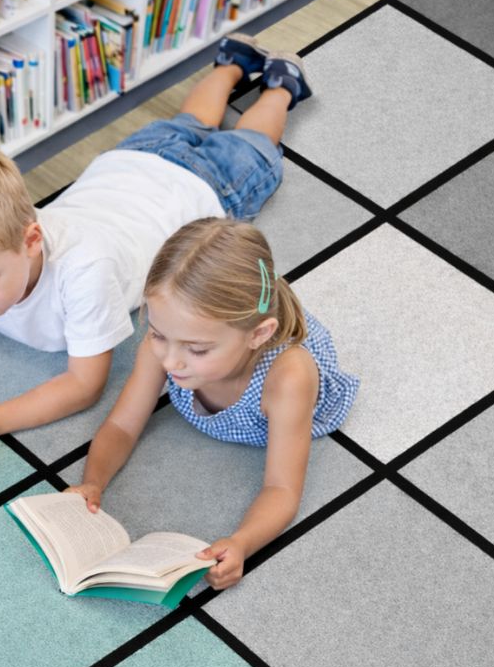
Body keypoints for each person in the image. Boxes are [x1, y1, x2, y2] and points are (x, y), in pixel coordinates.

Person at [0, 35, 313, 437]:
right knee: (188, 124)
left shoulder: (83, 270)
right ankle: (231, 63)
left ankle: (280, 86)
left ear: (32, 240)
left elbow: (84, 385)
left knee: (252, 140)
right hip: (127, 162)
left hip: (202, 189)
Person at [67, 218, 359, 591]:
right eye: (158, 334)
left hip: (288, 382)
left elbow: (282, 489)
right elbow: (122, 426)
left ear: (258, 335)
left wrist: (241, 542)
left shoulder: (288, 380)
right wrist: (92, 482)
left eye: (197, 349)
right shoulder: (168, 347)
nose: (171, 361)